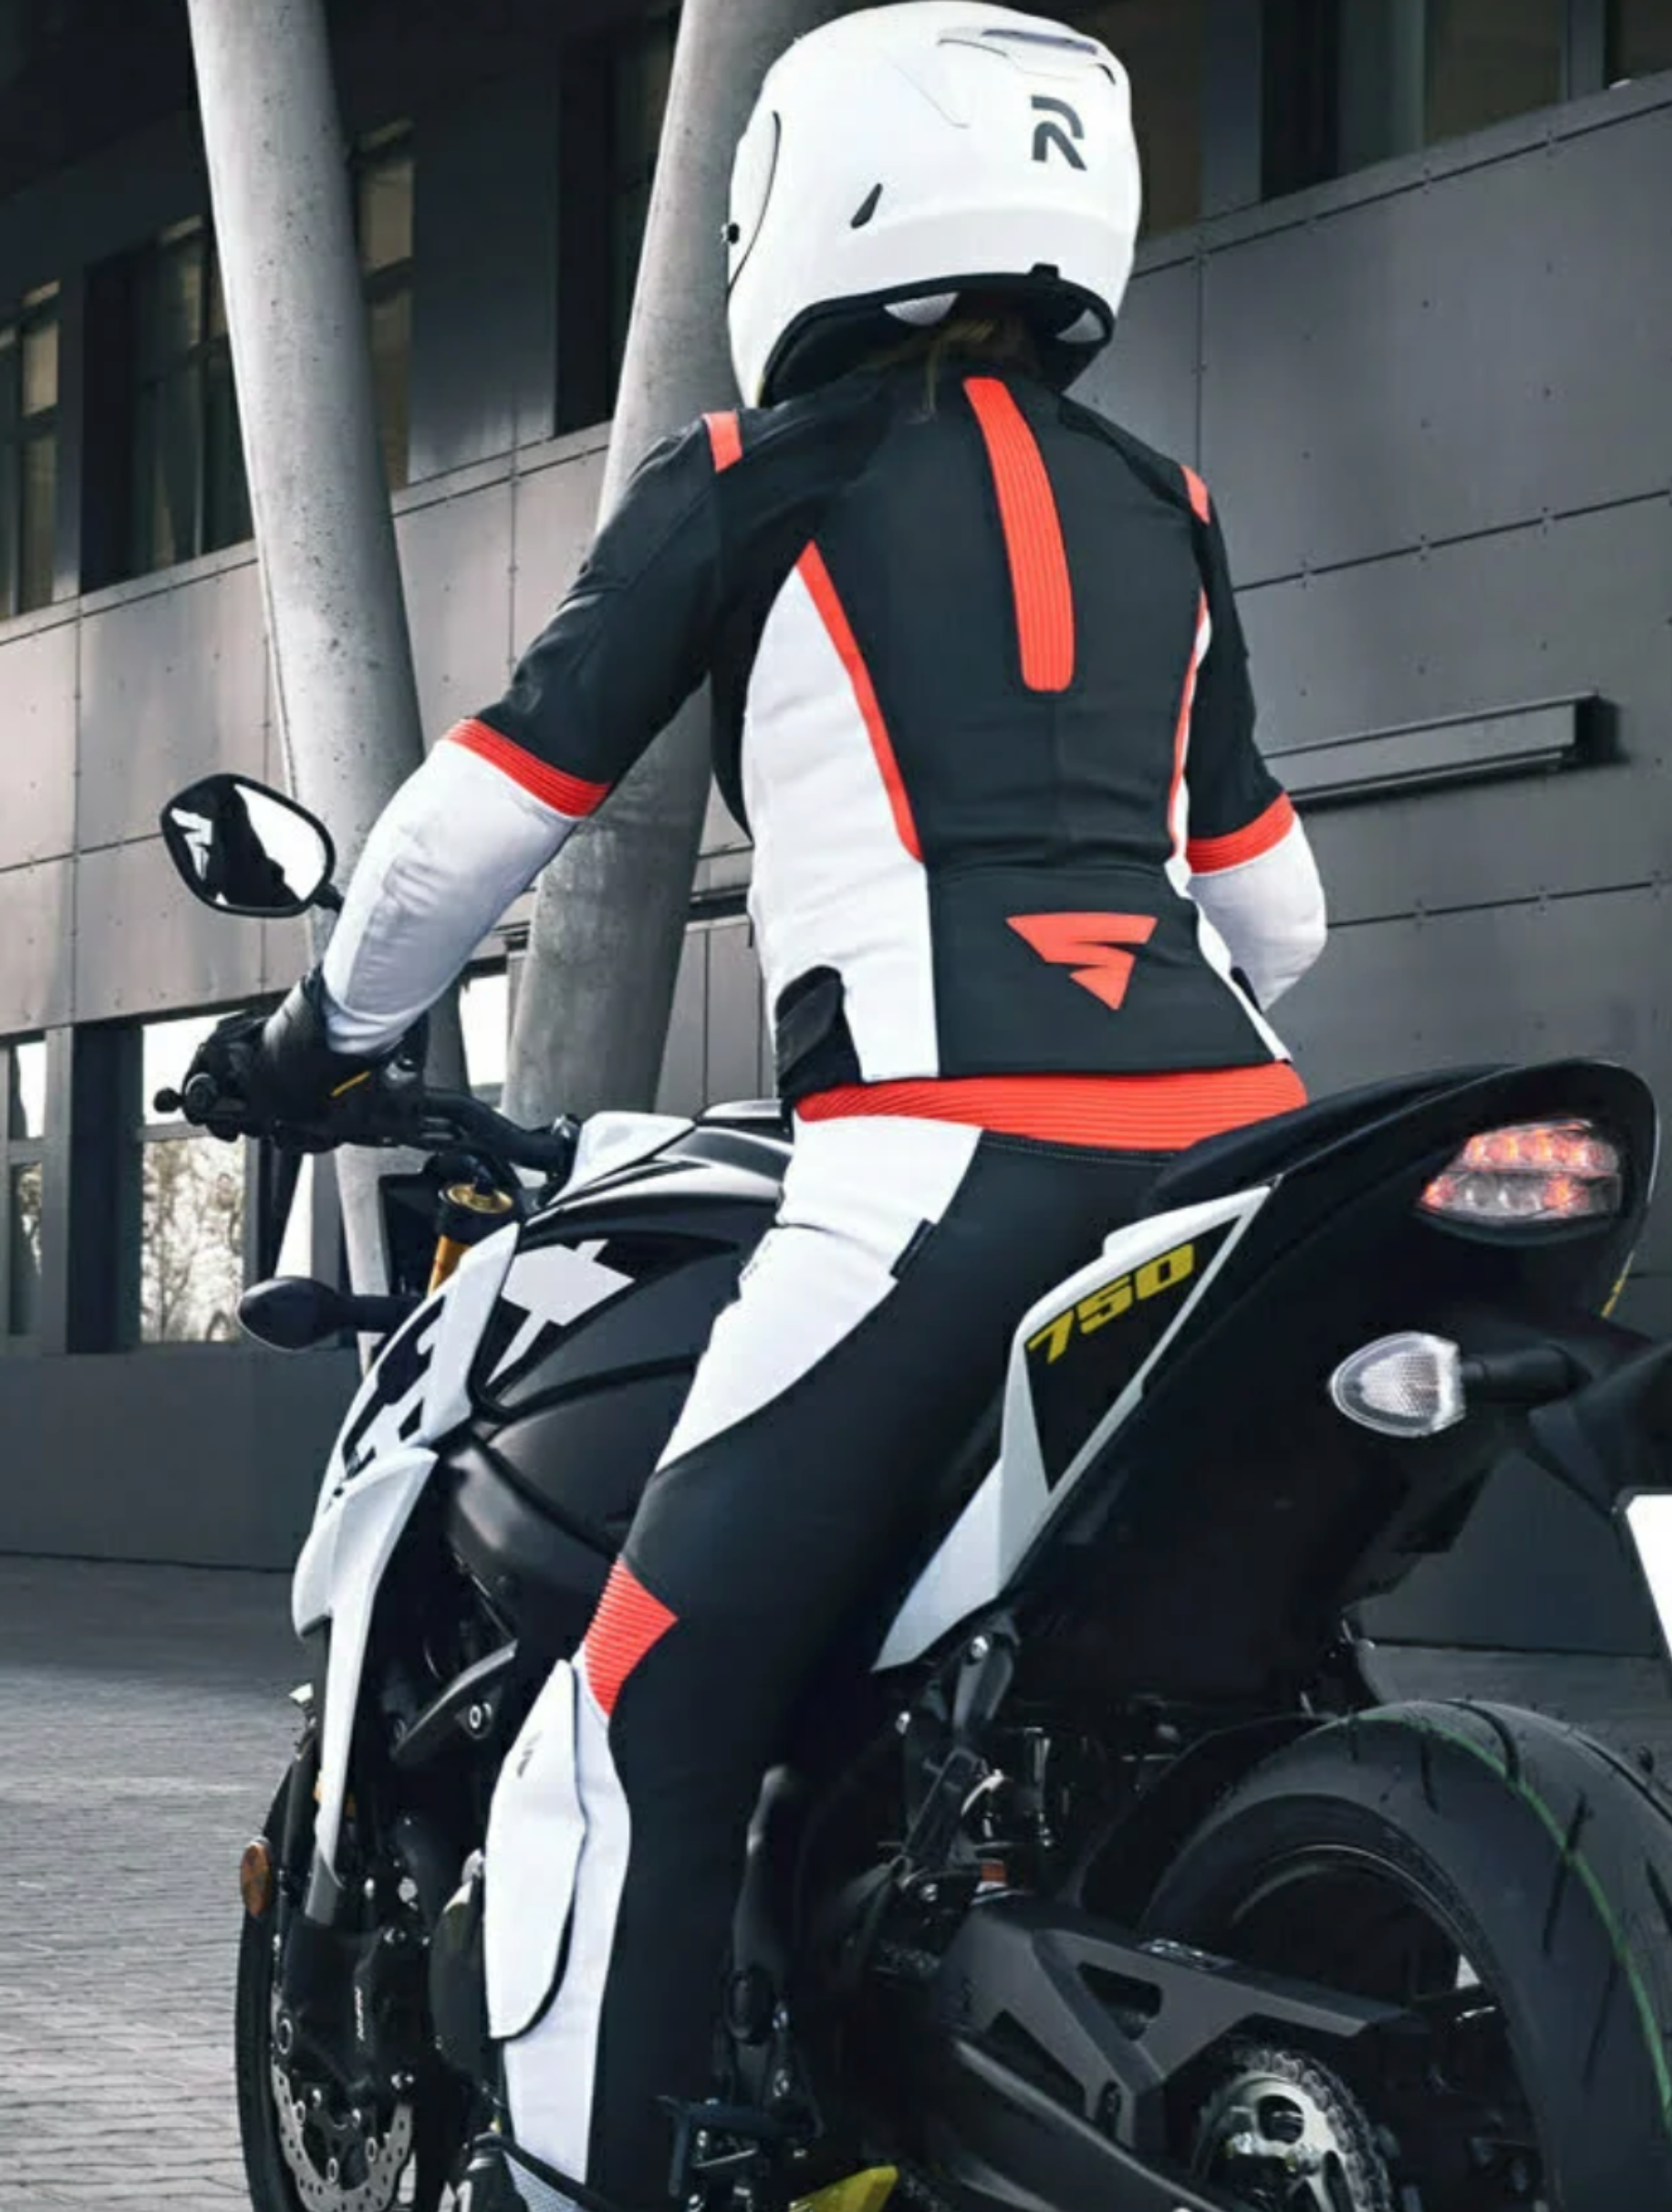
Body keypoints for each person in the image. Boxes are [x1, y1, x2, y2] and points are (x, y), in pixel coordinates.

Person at [189, 5, 1327, 2204]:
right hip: (1233, 1160)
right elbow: (1274, 915)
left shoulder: (742, 481)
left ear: (803, 198)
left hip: (939, 1170)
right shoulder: (1162, 510)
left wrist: (314, 1043)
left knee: (627, 1735)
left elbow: (464, 836)